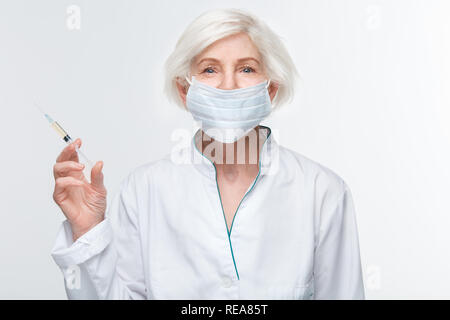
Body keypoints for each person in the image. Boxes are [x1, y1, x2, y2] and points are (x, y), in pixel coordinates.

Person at [50, 8, 365, 300]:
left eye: (246, 68)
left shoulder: (322, 192)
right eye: (210, 69)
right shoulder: (143, 190)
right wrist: (87, 232)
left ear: (270, 89)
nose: (228, 85)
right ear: (186, 90)